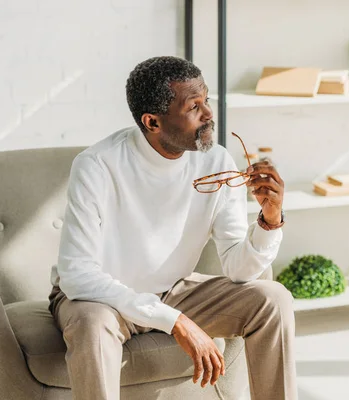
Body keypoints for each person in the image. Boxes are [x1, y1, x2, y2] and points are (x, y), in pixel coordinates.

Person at [48, 55, 297, 400]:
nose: (209, 114)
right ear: (152, 122)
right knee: (92, 323)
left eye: (206, 100)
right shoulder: (97, 166)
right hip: (102, 300)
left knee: (273, 298)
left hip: (173, 289)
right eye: (194, 106)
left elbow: (239, 270)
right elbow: (77, 275)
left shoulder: (217, 161)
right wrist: (175, 322)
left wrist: (270, 220)